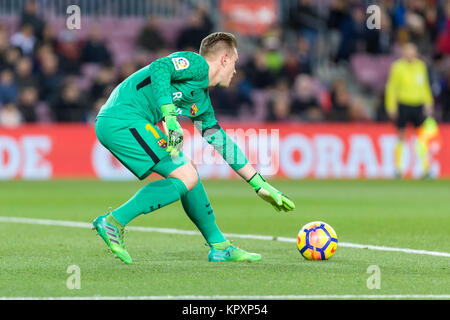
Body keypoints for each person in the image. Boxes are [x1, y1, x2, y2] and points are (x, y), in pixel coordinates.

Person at [93, 32, 295, 264]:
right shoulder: (196, 64)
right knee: (185, 174)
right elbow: (160, 67)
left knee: (188, 171)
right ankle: (113, 222)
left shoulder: (200, 100)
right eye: (235, 63)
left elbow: (219, 140)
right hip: (123, 118)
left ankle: (219, 246)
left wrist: (259, 184)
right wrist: (169, 116)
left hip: (130, 121)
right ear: (224, 59)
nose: (236, 71)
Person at [385, 42, 434, 178]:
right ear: (403, 53)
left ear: (415, 53)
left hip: (418, 104)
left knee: (421, 137)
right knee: (401, 135)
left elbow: (425, 86)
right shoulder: (397, 67)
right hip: (404, 104)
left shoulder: (421, 66)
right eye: (407, 51)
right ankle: (399, 169)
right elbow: (392, 87)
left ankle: (425, 169)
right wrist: (391, 106)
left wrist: (428, 103)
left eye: (412, 51)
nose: (410, 54)